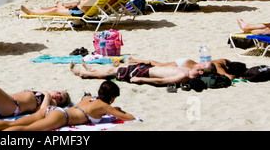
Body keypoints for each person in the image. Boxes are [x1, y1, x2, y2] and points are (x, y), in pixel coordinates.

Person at [0, 81, 136, 131]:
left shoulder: (90, 98)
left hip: (50, 111)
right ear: (112, 98)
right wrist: (119, 111)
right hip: (62, 117)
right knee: (26, 130)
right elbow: (130, 118)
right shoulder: (104, 106)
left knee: (14, 123)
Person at [70, 59, 216, 86]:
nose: (201, 62)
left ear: (202, 72)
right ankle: (92, 70)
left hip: (145, 74)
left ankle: (83, 74)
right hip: (146, 69)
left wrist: (141, 80)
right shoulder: (188, 69)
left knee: (114, 72)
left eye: (204, 64)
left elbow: (163, 81)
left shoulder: (185, 75)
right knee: (114, 70)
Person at [127, 57, 237, 80]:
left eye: (203, 64)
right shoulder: (216, 65)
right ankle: (135, 61)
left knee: (157, 64)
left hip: (181, 64)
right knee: (157, 64)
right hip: (182, 64)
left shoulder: (218, 63)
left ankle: (135, 60)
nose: (203, 62)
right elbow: (228, 77)